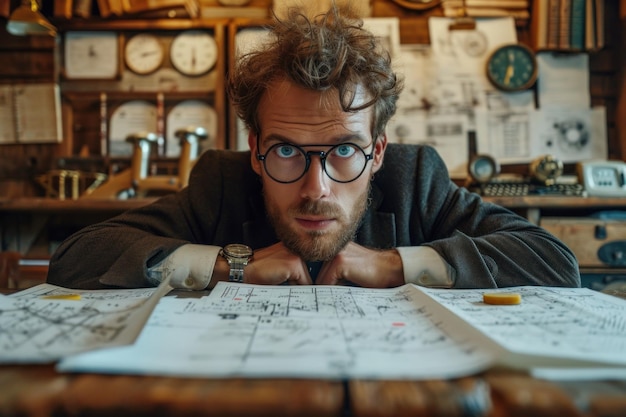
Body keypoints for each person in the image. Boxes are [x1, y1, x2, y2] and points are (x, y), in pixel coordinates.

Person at [47, 4, 580, 290]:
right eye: (285, 151)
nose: (315, 188)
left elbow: (554, 262)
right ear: (255, 149)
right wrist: (231, 267)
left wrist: (397, 264)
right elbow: (75, 258)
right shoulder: (221, 183)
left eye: (344, 151)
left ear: (377, 152)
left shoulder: (416, 179)